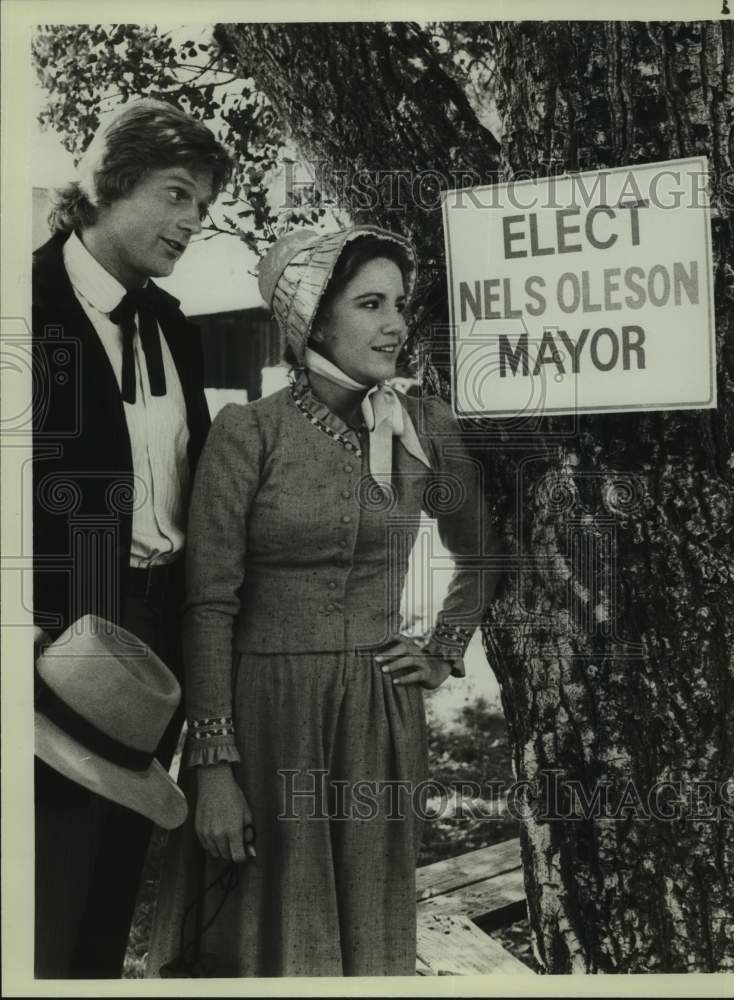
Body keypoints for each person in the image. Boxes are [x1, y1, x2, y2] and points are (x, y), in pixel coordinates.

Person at [147, 225, 501, 977]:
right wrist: (213, 765)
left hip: (376, 718)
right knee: (254, 925)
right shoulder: (250, 432)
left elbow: (480, 552)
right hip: (263, 714)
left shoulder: (426, 426)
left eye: (398, 304)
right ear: (312, 318)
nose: (395, 324)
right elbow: (208, 603)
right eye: (370, 303)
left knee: (365, 930)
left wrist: (441, 651)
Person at [32, 97, 232, 978]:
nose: (192, 223)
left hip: (155, 645)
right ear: (108, 184)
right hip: (55, 641)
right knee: (41, 890)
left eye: (203, 207)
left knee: (113, 885)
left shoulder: (176, 329)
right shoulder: (18, 306)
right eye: (177, 195)